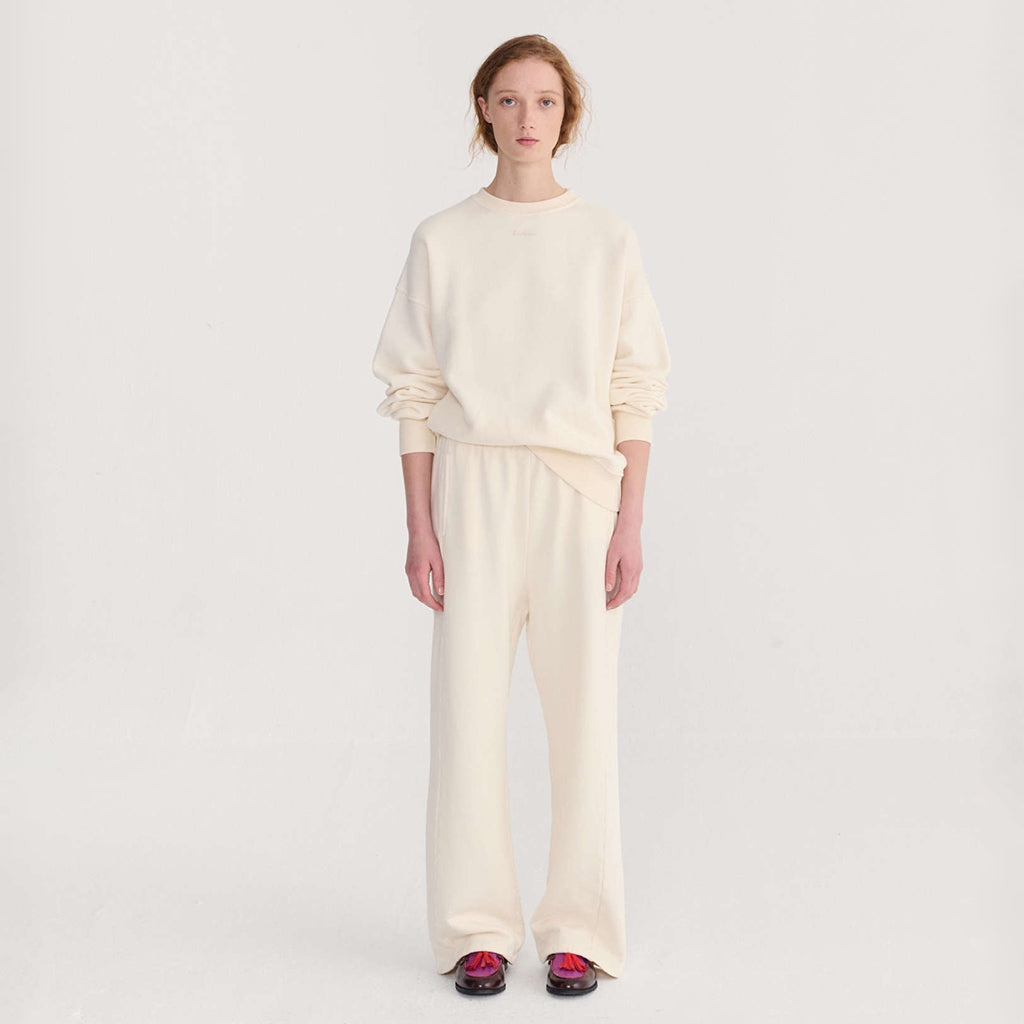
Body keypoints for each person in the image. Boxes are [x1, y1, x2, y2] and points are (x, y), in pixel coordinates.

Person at [371, 33, 671, 997]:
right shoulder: (443, 240)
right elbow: (415, 390)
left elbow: (634, 387)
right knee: (467, 715)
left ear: (566, 115)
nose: (527, 117)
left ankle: (580, 927)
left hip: (580, 494)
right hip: (472, 487)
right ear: (484, 110)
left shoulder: (607, 240)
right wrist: (420, 526)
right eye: (509, 99)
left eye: (545, 100)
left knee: (585, 719)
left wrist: (629, 521)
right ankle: (477, 929)